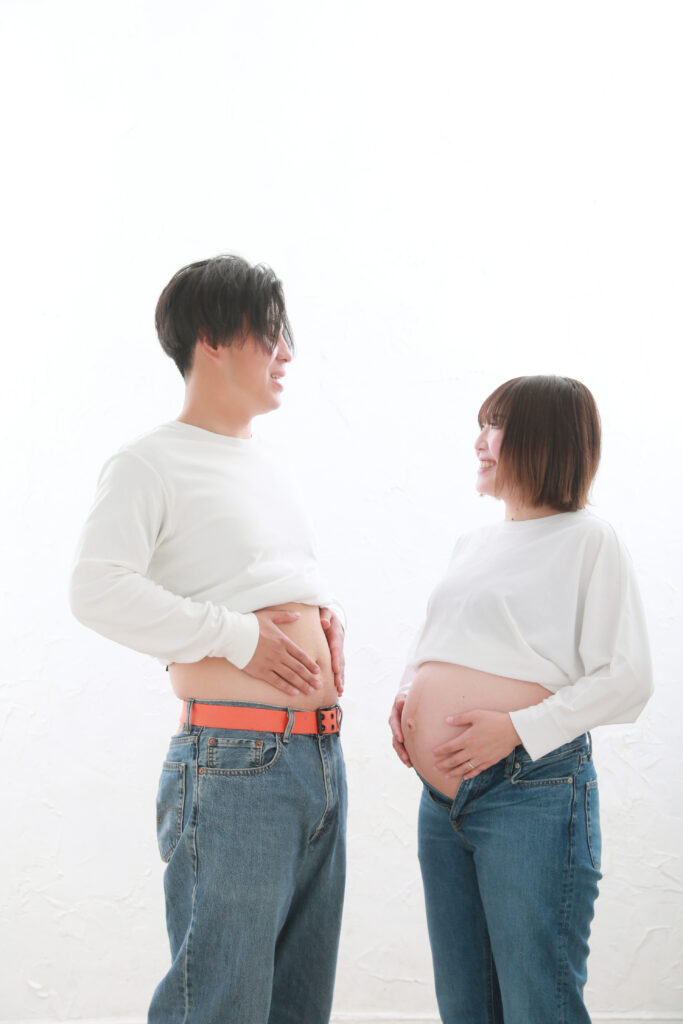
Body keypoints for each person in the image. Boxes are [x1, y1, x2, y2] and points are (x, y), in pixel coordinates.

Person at [69, 255, 347, 1024]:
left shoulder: (264, 466)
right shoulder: (149, 462)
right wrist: (239, 637)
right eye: (269, 334)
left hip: (316, 761)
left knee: (296, 1008)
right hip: (235, 766)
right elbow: (96, 589)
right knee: (219, 1006)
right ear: (212, 340)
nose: (285, 354)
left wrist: (324, 616)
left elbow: (251, 577)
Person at [388, 375, 653, 1024]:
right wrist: (406, 696)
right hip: (441, 805)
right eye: (480, 425)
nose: (479, 442)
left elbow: (627, 678)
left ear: (543, 439)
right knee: (465, 1006)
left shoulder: (588, 539)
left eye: (495, 425)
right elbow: (442, 638)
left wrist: (516, 728)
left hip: (529, 793)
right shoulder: (473, 543)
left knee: (538, 1004)